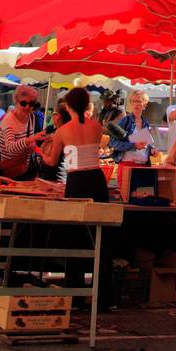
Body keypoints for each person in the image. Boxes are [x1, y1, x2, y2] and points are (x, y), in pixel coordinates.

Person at [44, 88, 115, 309]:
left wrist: (40, 149)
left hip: (76, 181)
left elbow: (51, 161)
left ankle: (74, 293)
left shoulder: (63, 131)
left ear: (68, 106)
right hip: (96, 179)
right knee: (100, 237)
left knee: (75, 236)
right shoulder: (96, 126)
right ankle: (103, 297)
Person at [0, 86, 48, 180]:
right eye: (23, 103)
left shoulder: (31, 117)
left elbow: (28, 143)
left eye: (31, 104)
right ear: (16, 102)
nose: (27, 107)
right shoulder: (9, 121)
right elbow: (10, 147)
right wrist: (32, 139)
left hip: (24, 169)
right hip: (8, 173)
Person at [111, 89, 156, 163]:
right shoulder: (125, 121)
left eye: (138, 101)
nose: (135, 104)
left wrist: (152, 149)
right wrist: (133, 145)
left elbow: (145, 144)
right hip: (128, 165)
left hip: (143, 165)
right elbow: (113, 142)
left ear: (145, 105)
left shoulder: (145, 122)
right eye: (133, 101)